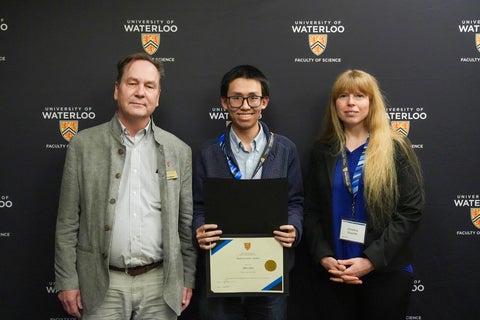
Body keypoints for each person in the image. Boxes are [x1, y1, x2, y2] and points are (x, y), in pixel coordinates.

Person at [54, 52, 197, 319]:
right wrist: (67, 280)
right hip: (100, 284)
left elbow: (185, 225)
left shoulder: (178, 150)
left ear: (157, 96)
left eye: (149, 86)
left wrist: (186, 277)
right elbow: (67, 222)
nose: (140, 92)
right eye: (132, 83)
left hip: (161, 284)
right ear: (117, 90)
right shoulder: (83, 146)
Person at [304, 69, 425, 320]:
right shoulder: (322, 151)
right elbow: (311, 210)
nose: (351, 102)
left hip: (385, 272)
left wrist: (370, 260)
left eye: (360, 96)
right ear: (334, 103)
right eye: (343, 96)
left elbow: (411, 210)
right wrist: (324, 256)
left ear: (372, 102)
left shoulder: (395, 148)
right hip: (334, 271)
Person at [192, 65, 304, 320]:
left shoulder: (285, 149)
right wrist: (199, 228)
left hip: (270, 272)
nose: (245, 105)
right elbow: (199, 206)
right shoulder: (208, 152)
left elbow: (295, 201)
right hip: (221, 271)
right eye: (236, 97)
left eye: (253, 98)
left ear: (264, 102)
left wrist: (294, 229)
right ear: (224, 102)